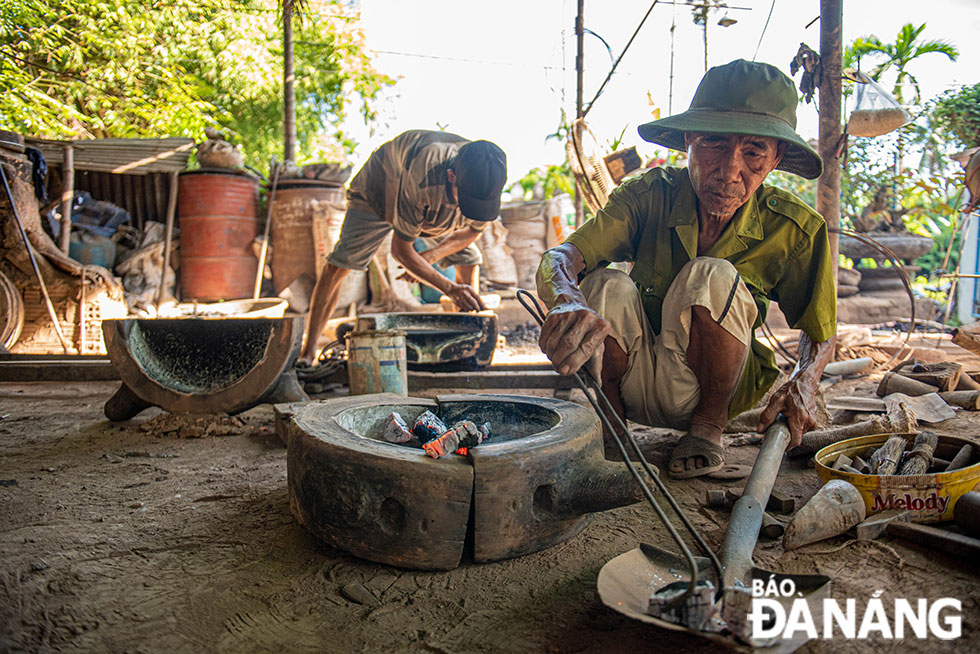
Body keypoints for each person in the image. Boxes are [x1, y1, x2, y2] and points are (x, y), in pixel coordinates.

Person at [536, 59, 837, 478]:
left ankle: (707, 429)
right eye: (714, 143)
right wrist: (565, 302)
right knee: (604, 284)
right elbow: (560, 257)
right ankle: (611, 425)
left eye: (753, 151)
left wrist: (804, 380)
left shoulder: (795, 228)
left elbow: (821, 332)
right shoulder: (647, 195)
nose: (730, 169)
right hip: (632, 382)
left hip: (718, 394)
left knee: (710, 275)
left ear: (775, 159)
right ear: (689, 141)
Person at [299, 129, 507, 366]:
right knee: (340, 265)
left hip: (430, 198)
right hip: (379, 191)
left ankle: (465, 347)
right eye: (468, 199)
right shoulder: (424, 175)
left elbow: (471, 232)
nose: (472, 207)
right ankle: (307, 352)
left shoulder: (484, 176)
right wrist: (449, 288)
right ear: (452, 177)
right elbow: (401, 251)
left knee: (468, 258)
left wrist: (431, 256)